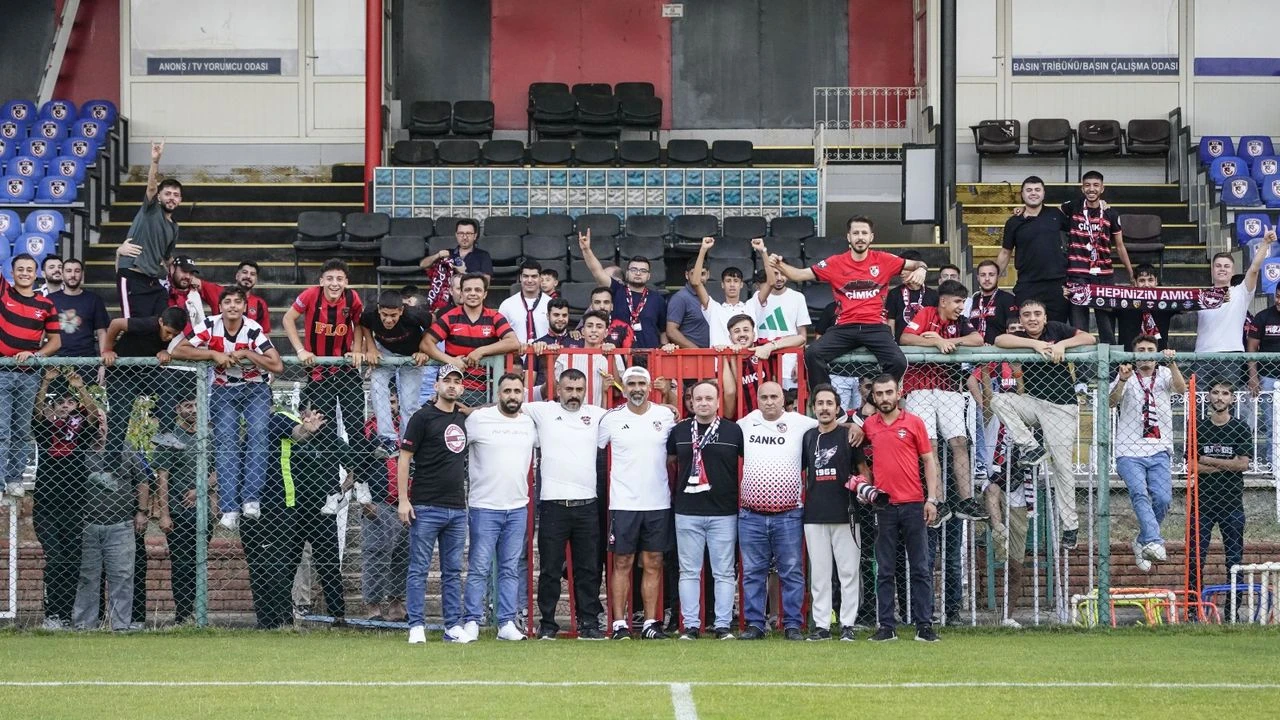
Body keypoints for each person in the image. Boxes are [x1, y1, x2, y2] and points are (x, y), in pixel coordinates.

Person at [172, 286, 283, 530]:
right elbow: (178, 349)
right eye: (228, 302)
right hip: (224, 391)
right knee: (226, 445)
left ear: (245, 307)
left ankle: (251, 498)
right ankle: (230, 507)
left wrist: (246, 353)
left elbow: (277, 365)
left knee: (257, 436)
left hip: (255, 389)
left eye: (237, 302)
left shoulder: (252, 329)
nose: (232, 306)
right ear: (220, 307)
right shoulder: (210, 326)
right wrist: (213, 354)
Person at [773, 216, 927, 389]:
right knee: (812, 353)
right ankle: (828, 400)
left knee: (899, 362)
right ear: (848, 237)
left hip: (875, 326)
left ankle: (871, 401)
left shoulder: (885, 260)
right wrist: (779, 266)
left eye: (864, 233)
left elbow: (917, 263)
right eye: (855, 233)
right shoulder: (835, 262)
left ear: (871, 237)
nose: (860, 237)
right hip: (844, 327)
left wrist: (922, 269)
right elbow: (799, 275)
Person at [992, 299, 1097, 549]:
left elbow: (1089, 338)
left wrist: (1060, 344)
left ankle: (1070, 527)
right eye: (1027, 314)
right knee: (998, 400)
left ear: (1045, 317)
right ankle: (1030, 446)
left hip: (1062, 407)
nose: (1032, 318)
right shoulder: (1020, 335)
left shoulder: (1057, 329)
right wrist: (1034, 344)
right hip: (1033, 402)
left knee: (1062, 467)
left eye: (1037, 314)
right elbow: (999, 341)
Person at [524, 369, 608, 640]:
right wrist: (466, 408)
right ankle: (548, 623)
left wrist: (667, 403)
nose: (574, 394)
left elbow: (631, 415)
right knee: (549, 568)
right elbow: (505, 406)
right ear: (558, 389)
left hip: (587, 504)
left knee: (588, 568)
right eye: (569, 389)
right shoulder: (542, 410)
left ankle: (589, 623)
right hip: (553, 503)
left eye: (579, 389)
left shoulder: (597, 414)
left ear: (585, 390)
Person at [596, 366, 677, 639]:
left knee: (653, 561)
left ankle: (651, 623)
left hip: (658, 501)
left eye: (642, 383)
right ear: (624, 386)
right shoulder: (611, 418)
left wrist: (673, 398)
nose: (637, 388)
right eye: (631, 384)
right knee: (622, 562)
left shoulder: (664, 415)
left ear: (650, 385)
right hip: (623, 502)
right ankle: (619, 624)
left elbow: (676, 449)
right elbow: (594, 448)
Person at [736, 380, 820, 640]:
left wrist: (854, 428)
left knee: (792, 571)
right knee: (752, 572)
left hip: (788, 513)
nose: (769, 401)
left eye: (774, 397)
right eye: (764, 397)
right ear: (757, 400)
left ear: (783, 399)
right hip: (751, 514)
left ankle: (792, 624)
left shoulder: (800, 422)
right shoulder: (745, 423)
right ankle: (755, 624)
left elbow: (830, 424)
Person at [861, 374, 942, 643]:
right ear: (873, 396)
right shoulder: (868, 426)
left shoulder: (915, 422)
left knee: (920, 568)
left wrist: (932, 499)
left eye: (888, 392)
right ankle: (886, 626)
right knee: (884, 569)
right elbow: (859, 457)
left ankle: (924, 626)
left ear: (899, 393)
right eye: (879, 393)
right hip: (884, 506)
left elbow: (929, 461)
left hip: (913, 504)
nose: (884, 398)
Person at [898, 279, 987, 520]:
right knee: (931, 445)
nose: (961, 307)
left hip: (949, 388)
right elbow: (906, 338)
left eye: (964, 302)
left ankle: (966, 501)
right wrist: (937, 341)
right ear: (943, 301)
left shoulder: (960, 323)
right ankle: (937, 500)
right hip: (920, 388)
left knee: (959, 441)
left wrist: (950, 341)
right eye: (958, 302)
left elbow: (978, 340)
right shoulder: (926, 312)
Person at [461, 373, 537, 642]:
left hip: (518, 507)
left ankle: (506, 622)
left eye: (517, 391)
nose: (512, 396)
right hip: (484, 507)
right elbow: (455, 446)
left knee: (509, 568)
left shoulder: (530, 423)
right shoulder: (479, 420)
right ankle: (471, 621)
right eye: (507, 391)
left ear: (523, 394)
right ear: (497, 393)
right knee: (479, 567)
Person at [239, 407, 329, 629]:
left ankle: (284, 621)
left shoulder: (278, 417)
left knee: (276, 565)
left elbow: (298, 433)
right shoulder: (246, 428)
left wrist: (308, 429)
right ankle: (265, 622)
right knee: (257, 566)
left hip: (278, 504)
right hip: (249, 507)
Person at [400, 365, 471, 644]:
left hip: (457, 506)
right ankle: (416, 625)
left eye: (457, 382)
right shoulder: (422, 417)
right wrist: (404, 500)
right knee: (418, 568)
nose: (452, 386)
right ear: (436, 385)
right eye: (447, 381)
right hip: (426, 504)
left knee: (452, 571)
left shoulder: (465, 418)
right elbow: (404, 457)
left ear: (462, 388)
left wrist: (470, 411)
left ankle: (452, 626)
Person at [667, 380, 743, 640]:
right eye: (698, 398)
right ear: (691, 401)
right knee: (689, 571)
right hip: (687, 511)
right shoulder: (678, 432)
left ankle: (722, 624)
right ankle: (690, 625)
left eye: (709, 398)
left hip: (724, 512)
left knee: (723, 572)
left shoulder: (734, 432)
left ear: (718, 402)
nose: (703, 403)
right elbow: (671, 463)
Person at [1109, 337, 1184, 571]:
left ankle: (1142, 539)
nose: (1146, 353)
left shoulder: (1163, 374)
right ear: (1134, 353)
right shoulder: (1126, 374)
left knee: (1163, 499)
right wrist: (1121, 380)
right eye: (1140, 349)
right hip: (1129, 450)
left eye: (1151, 350)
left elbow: (1182, 389)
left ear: (1157, 353)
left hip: (1159, 448)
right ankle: (1154, 541)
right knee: (1140, 493)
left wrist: (1172, 363)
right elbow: (1111, 402)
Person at [31, 368, 98, 629]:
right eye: (61, 403)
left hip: (74, 505)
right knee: (55, 559)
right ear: (53, 407)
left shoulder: (81, 431)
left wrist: (81, 388)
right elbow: (36, 413)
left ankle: (67, 614)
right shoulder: (46, 428)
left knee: (72, 562)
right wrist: (46, 382)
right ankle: (52, 615)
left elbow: (93, 416)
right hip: (47, 506)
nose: (66, 407)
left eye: (70, 402)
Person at [802, 384, 867, 641]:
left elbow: (863, 469)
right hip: (815, 514)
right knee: (819, 573)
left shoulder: (849, 434)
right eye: (820, 403)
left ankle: (848, 624)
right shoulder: (807, 437)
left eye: (829, 403)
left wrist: (864, 489)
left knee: (848, 572)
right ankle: (822, 625)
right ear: (814, 407)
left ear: (838, 407)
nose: (825, 408)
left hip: (847, 513)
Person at [282, 259, 366, 439]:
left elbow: (359, 323)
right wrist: (300, 350)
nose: (334, 283)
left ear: (346, 282)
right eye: (329, 278)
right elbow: (288, 319)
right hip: (318, 372)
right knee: (325, 430)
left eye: (339, 279)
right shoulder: (310, 295)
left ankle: (358, 467)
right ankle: (333, 467)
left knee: (356, 426)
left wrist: (357, 349)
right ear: (321, 281)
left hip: (346, 369)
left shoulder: (352, 297)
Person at [0, 253, 62, 497]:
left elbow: (55, 341)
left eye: (29, 269)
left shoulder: (46, 304)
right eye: (20, 269)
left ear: (36, 274)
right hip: (2, 372)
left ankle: (15, 479)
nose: (25, 273)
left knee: (22, 430)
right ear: (12, 273)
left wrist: (36, 355)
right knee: (1, 430)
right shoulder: (4, 293)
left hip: (29, 376)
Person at [151, 398, 214, 625]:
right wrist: (164, 513)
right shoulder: (170, 437)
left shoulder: (210, 436)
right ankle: (183, 615)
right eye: (188, 406)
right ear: (178, 409)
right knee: (181, 564)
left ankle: (199, 613)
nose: (193, 409)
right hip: (178, 512)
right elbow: (162, 477)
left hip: (203, 511)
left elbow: (219, 470)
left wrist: (201, 488)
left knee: (200, 563)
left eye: (196, 405)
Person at [1191, 378, 1250, 617]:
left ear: (1232, 398)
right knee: (1196, 560)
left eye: (1225, 393)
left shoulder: (1240, 427)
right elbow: (1192, 466)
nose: (1219, 397)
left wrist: (1209, 460)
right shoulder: (1198, 427)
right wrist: (1228, 464)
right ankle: (1195, 611)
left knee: (1234, 561)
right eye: (1215, 392)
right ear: (1208, 397)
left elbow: (1243, 464)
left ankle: (1232, 613)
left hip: (1232, 504)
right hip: (1202, 504)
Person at [72, 447, 149, 631]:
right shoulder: (81, 450)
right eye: (95, 422)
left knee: (122, 577)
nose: (100, 428)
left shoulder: (127, 450)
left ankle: (120, 625)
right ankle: (84, 625)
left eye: (103, 421)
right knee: (87, 577)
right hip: (87, 524)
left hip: (121, 524)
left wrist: (141, 511)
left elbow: (143, 481)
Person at [99, 307, 189, 461]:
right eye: (167, 332)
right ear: (160, 321)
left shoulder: (173, 336)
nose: (169, 337)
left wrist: (166, 352)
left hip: (145, 375)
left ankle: (165, 433)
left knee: (169, 381)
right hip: (121, 375)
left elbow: (178, 348)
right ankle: (109, 470)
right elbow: (116, 323)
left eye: (174, 334)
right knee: (120, 419)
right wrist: (107, 350)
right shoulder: (148, 324)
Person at [423, 273, 521, 406]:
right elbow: (426, 343)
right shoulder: (450, 317)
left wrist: (481, 351)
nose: (473, 293)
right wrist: (451, 361)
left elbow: (513, 342)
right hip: (453, 388)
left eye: (478, 290)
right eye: (468, 290)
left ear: (485, 294)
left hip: (483, 391)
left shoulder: (495, 317)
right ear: (461, 294)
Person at [1061, 171, 1133, 343]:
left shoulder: (1111, 214)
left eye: (1095, 185)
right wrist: (1023, 209)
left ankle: (1111, 369)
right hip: (1077, 275)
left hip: (1104, 276)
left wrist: (1131, 273)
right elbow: (1047, 213)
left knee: (1106, 327)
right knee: (1079, 329)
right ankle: (1082, 370)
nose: (1091, 189)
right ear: (1082, 188)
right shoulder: (1072, 206)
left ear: (1102, 188)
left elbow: (1120, 246)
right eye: (1087, 185)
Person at [356, 289, 431, 447]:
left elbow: (433, 326)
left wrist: (423, 350)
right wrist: (371, 348)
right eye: (384, 315)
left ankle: (407, 442)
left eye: (393, 315)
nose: (388, 320)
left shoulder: (414, 314)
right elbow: (363, 325)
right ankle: (387, 439)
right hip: (385, 352)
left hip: (411, 356)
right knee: (377, 387)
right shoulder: (370, 313)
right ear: (378, 309)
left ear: (401, 310)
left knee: (409, 403)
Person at [115, 141, 179, 318]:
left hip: (152, 281)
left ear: (180, 199)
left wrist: (180, 274)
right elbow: (151, 186)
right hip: (131, 275)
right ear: (159, 196)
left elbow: (167, 259)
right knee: (132, 325)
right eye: (167, 193)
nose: (171, 198)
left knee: (158, 324)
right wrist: (155, 161)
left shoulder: (174, 227)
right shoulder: (151, 209)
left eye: (176, 195)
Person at [1197, 230, 1271, 384]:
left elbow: (1254, 268)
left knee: (1229, 404)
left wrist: (1265, 244)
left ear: (1233, 271)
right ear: (1212, 269)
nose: (1222, 269)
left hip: (1231, 355)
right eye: (1218, 266)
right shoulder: (1200, 295)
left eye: (1226, 266)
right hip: (1202, 354)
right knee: (1199, 403)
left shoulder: (1241, 292)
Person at [995, 176, 1070, 323]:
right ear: (1022, 194)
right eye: (1029, 190)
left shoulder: (1056, 215)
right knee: (1028, 329)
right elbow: (1005, 252)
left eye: (1037, 189)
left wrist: (1101, 204)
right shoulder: (1013, 222)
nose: (1033, 193)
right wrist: (994, 279)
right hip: (1027, 284)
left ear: (1043, 193)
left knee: (1056, 329)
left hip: (1056, 284)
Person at [579, 230, 667, 349]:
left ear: (649, 276)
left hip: (650, 355)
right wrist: (586, 250)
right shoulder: (616, 290)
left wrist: (664, 353)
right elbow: (598, 273)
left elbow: (663, 331)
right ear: (627, 273)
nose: (638, 273)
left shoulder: (657, 299)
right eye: (634, 269)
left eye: (643, 271)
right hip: (619, 355)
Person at [720, 312, 804, 419]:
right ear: (730, 337)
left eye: (746, 330)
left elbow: (800, 339)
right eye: (737, 331)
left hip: (771, 418)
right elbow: (731, 392)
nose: (742, 334)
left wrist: (770, 347)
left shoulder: (763, 346)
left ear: (754, 334)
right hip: (742, 420)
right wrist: (727, 354)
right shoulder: (727, 357)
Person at [689, 237, 769, 347]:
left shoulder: (752, 306)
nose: (732, 285)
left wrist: (763, 251)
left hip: (748, 363)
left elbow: (771, 283)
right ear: (722, 284)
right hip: (721, 363)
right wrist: (703, 250)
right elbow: (696, 282)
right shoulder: (714, 309)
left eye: (736, 281)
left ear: (741, 284)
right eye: (728, 281)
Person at [754, 240, 810, 390]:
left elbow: (802, 336)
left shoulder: (798, 298)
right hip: (763, 362)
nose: (778, 278)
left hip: (789, 363)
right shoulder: (758, 297)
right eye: (774, 273)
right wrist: (763, 251)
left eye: (782, 273)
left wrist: (799, 363)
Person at [551, 310, 624, 407]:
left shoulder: (614, 356)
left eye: (599, 326)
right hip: (568, 414)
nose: (594, 330)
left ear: (606, 333)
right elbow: (555, 391)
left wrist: (611, 358)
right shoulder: (566, 356)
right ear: (582, 331)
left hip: (597, 415)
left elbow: (617, 392)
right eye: (589, 326)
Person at [50, 258, 110, 366]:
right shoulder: (50, 300)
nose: (73, 275)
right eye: (68, 271)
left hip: (86, 361)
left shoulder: (94, 299)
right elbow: (41, 331)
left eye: (77, 271)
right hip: (55, 361)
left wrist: (102, 365)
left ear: (82, 274)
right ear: (62, 274)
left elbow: (101, 332)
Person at [884, 249, 939, 342]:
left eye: (905, 269)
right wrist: (891, 343)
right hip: (901, 345)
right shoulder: (894, 294)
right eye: (900, 269)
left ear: (917, 269)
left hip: (926, 344)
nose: (901, 273)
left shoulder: (933, 295)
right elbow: (890, 321)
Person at [964, 260, 1020, 344]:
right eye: (983, 275)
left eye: (991, 275)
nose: (987, 279)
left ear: (998, 276)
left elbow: (1014, 329)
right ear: (977, 278)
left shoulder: (1008, 299)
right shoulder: (973, 300)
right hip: (975, 351)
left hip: (999, 351)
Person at [417, 218, 493, 280]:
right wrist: (437, 255)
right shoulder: (447, 254)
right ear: (456, 235)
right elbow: (423, 265)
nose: (465, 237)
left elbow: (486, 282)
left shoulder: (483, 255)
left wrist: (463, 274)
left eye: (468, 233)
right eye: (461, 233)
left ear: (475, 236)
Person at [498, 260, 553, 344]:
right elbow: (500, 337)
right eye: (525, 276)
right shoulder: (507, 305)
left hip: (545, 355)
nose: (529, 280)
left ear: (540, 278)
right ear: (520, 277)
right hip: (516, 356)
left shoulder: (550, 303)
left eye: (534, 276)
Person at [665, 257, 712, 349]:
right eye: (694, 274)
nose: (698, 278)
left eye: (702, 274)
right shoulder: (680, 298)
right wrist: (697, 352)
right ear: (687, 275)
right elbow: (671, 331)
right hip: (690, 357)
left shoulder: (709, 298)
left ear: (708, 275)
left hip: (709, 356)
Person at [166, 256, 221, 328]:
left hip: (191, 338)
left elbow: (201, 323)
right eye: (184, 271)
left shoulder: (194, 293)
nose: (188, 276)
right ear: (173, 269)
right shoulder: (162, 290)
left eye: (191, 273)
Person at [234, 261, 272, 333]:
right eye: (245, 272)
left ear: (256, 280)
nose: (248, 276)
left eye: (252, 274)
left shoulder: (260, 303)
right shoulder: (220, 294)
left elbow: (264, 334)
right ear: (237, 276)